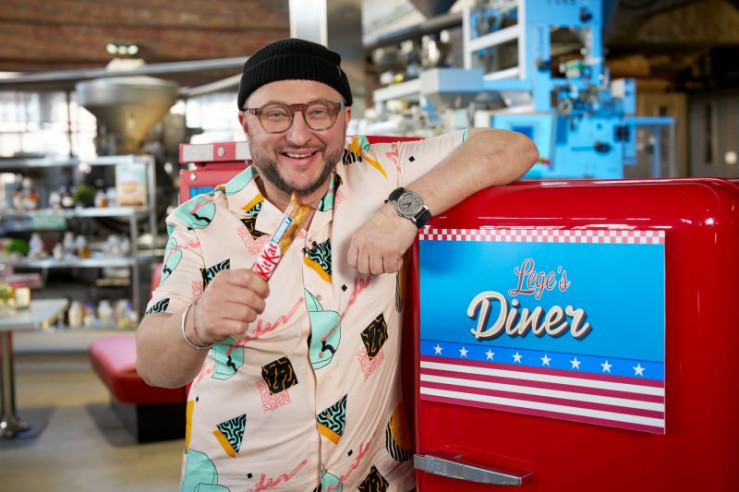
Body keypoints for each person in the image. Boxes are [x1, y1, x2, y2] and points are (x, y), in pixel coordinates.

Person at [136, 38, 538, 491]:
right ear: (245, 123)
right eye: (275, 114)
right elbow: (153, 367)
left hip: (376, 480)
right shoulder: (201, 223)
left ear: (345, 118)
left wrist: (402, 212)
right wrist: (195, 324)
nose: (299, 135)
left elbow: (513, 147)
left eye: (319, 111)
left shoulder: (381, 171)